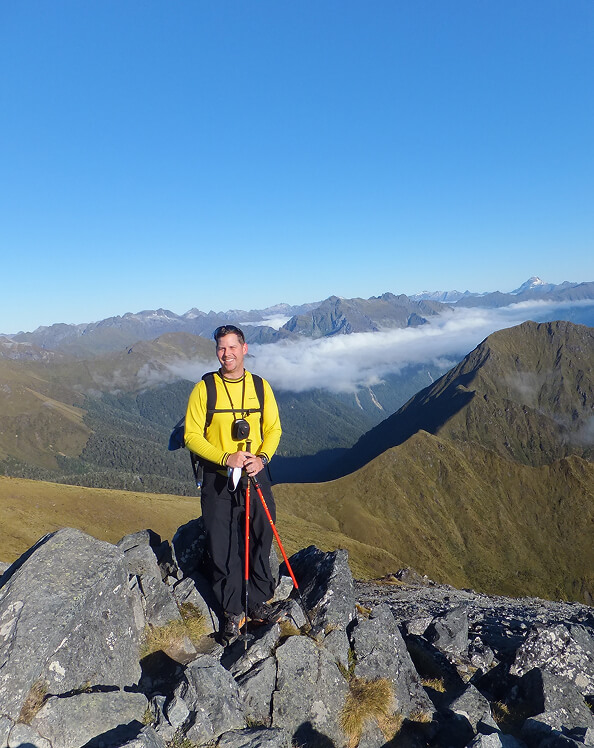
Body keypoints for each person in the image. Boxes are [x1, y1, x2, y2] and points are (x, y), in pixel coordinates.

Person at [184, 324, 282, 645]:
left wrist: (262, 457)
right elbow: (192, 436)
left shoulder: (260, 386)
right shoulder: (205, 389)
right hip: (219, 474)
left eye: (232, 347)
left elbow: (273, 429)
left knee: (261, 530)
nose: (226, 354)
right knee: (222, 540)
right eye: (221, 348)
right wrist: (225, 457)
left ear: (245, 349)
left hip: (254, 471)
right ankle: (231, 610)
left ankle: (256, 598)